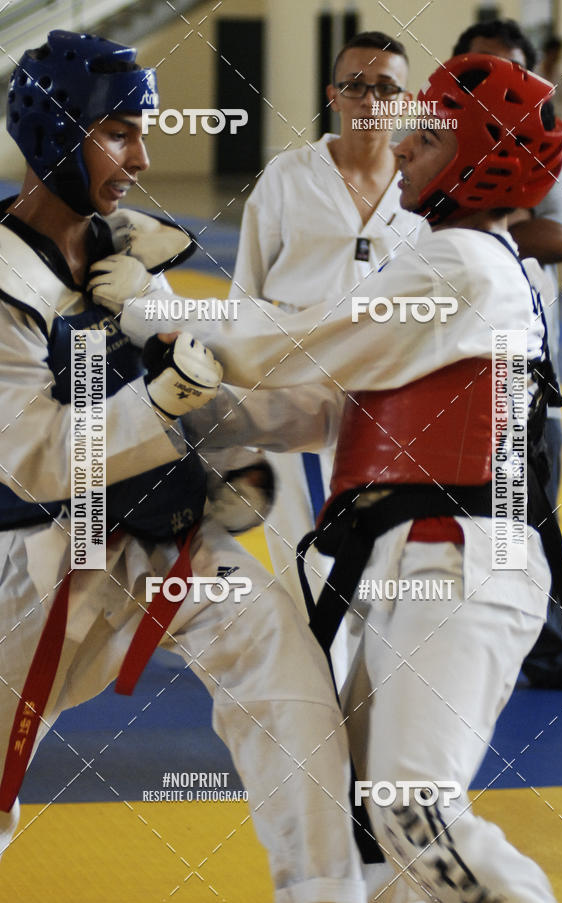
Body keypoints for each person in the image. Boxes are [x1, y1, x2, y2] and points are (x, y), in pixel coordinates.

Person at [120, 53, 562, 901]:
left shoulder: (463, 267)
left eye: (428, 139)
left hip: (460, 561)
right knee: (371, 823)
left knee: (412, 808)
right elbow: (318, 409)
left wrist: (150, 304)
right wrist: (168, 409)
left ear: (481, 161)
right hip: (414, 559)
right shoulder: (448, 261)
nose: (401, 151)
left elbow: (291, 344)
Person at [0, 30, 370, 903]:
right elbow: (37, 455)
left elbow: (208, 383)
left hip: (167, 541)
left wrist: (339, 406)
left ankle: (327, 891)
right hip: (38, 564)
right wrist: (162, 398)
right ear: (58, 133)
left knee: (289, 684)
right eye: (120, 132)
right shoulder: (8, 281)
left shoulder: (127, 255)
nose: (142, 156)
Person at [230, 31, 424, 643]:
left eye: (385, 87)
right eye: (355, 86)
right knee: (302, 548)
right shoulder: (288, 177)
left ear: (406, 99)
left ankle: (367, 702)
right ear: (332, 95)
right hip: (295, 390)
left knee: (383, 554)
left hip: (391, 398)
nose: (370, 99)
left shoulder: (421, 188)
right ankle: (310, 703)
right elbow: (246, 294)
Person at [452, 18, 562, 694]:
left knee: (526, 514)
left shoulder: (549, 148)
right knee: (438, 517)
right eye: (479, 68)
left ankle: (548, 653)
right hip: (436, 361)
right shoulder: (426, 141)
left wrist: (473, 224)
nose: (494, 84)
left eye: (510, 70)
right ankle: (443, 646)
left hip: (523, 365)